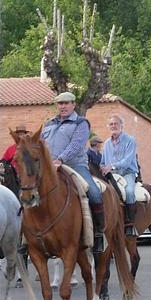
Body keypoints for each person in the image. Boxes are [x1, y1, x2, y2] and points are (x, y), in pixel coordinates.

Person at [41, 92, 105, 252]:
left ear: (73, 104)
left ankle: (98, 233)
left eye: (66, 103)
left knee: (95, 193)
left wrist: (60, 160)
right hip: (50, 168)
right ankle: (27, 237)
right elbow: (41, 145)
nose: (62, 106)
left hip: (75, 166)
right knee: (29, 192)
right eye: (60, 103)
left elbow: (76, 145)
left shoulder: (81, 123)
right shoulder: (49, 124)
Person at [101, 114, 140, 237]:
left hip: (127, 172)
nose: (113, 126)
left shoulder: (130, 140)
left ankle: (130, 224)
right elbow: (103, 161)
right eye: (111, 124)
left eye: (116, 123)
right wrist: (102, 168)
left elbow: (127, 161)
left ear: (121, 126)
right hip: (112, 175)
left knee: (128, 191)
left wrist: (111, 166)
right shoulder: (106, 143)